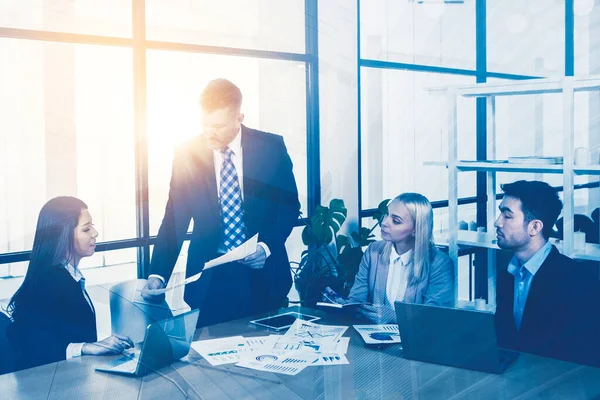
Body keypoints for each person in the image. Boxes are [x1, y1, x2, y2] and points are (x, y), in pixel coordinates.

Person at [143, 78, 300, 327]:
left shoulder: (270, 148)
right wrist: (158, 274)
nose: (208, 132)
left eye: (217, 125)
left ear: (239, 118)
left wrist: (265, 247)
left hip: (263, 275)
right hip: (208, 280)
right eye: (204, 123)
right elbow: (175, 219)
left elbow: (289, 207)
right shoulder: (187, 154)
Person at [7, 197, 133, 371]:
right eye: (86, 229)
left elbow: (66, 332)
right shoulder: (45, 281)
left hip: (74, 377)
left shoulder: (68, 276)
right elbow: (33, 343)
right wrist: (86, 347)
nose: (95, 233)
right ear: (63, 234)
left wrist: (102, 343)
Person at [493, 180, 598, 365]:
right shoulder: (506, 276)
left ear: (534, 227)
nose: (497, 222)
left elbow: (583, 353)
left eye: (507, 216)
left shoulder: (575, 280)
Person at [343, 192, 455, 324]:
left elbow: (433, 317)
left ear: (415, 230)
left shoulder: (439, 264)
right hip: (373, 337)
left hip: (416, 341)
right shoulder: (373, 252)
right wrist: (342, 305)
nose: (384, 223)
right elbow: (357, 301)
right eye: (386, 214)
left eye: (396, 221)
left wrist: (395, 317)